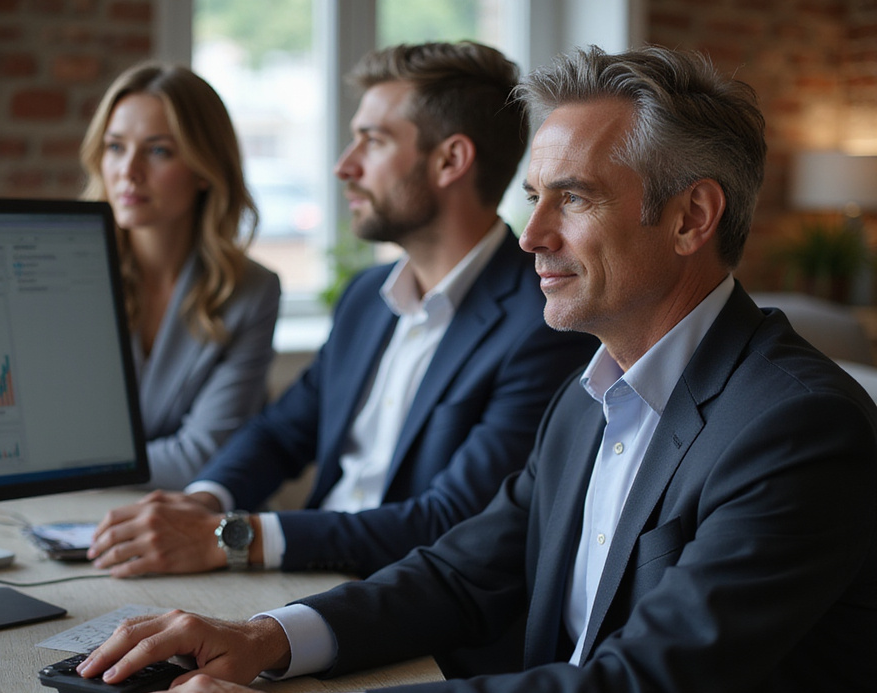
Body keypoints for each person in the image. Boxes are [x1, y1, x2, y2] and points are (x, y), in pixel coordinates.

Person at [79, 45, 877, 693]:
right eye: (534, 196)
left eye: (572, 199)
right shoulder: (593, 392)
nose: (529, 234)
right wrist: (263, 638)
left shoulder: (795, 427)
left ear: (690, 217)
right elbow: (462, 575)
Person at [86, 42, 597, 582]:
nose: (343, 167)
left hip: (405, 606)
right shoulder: (365, 298)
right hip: (301, 571)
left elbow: (453, 520)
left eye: (371, 142)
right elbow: (281, 432)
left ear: (450, 160)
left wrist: (233, 536)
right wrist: (203, 503)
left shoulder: (543, 323)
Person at [80, 62, 281, 490]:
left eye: (158, 151)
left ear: (205, 170)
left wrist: (73, 466)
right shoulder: (65, 273)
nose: (128, 171)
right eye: (115, 147)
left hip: (193, 519)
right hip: (69, 517)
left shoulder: (251, 291)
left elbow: (203, 456)